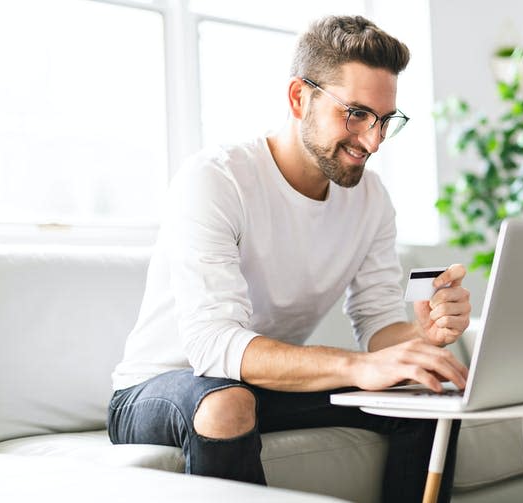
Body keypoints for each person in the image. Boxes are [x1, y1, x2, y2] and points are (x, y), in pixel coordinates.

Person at [107, 14, 471, 503]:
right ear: (300, 98)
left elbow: (377, 323)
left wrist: (420, 335)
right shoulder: (216, 180)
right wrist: (357, 368)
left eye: (385, 121)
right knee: (226, 402)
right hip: (159, 389)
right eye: (357, 113)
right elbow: (214, 347)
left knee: (426, 390)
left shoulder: (372, 200)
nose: (373, 140)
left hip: (261, 388)